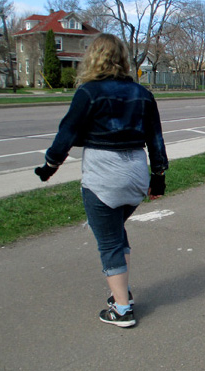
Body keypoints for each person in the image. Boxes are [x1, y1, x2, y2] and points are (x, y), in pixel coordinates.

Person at [34, 33, 168, 328]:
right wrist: (158, 177)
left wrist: (50, 165)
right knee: (116, 233)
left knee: (108, 243)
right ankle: (123, 294)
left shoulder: (88, 92)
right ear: (122, 58)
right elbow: (155, 138)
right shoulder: (142, 94)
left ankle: (122, 309)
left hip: (103, 174)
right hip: (135, 171)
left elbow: (66, 134)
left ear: (93, 57)